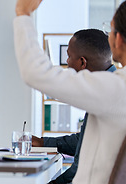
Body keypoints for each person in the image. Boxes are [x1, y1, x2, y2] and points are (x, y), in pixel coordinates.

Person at [14, 0, 126, 183]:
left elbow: (36, 73)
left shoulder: (118, 87)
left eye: (110, 30)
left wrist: (23, 14)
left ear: (118, 39)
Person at [32, 29, 116, 184]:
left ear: (82, 62)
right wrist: (43, 143)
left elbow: (81, 171)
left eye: (69, 57)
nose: (67, 62)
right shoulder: (111, 85)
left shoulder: (106, 96)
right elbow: (85, 141)